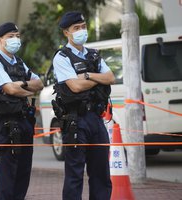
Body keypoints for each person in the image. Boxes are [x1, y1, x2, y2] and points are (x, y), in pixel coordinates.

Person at [52, 11, 115, 200]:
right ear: (66, 33)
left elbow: (110, 77)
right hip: (75, 121)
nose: (81, 31)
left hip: (96, 119)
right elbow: (75, 86)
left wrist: (88, 76)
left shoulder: (94, 55)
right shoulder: (62, 57)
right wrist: (98, 78)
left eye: (83, 27)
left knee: (101, 172)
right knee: (75, 174)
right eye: (76, 28)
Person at [0, 22, 43, 200]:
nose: (15, 40)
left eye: (17, 36)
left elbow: (39, 83)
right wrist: (26, 91)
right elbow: (10, 89)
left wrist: (22, 84)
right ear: (0, 40)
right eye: (10, 36)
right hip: (7, 124)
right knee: (8, 172)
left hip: (24, 121)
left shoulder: (20, 63)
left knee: (24, 172)